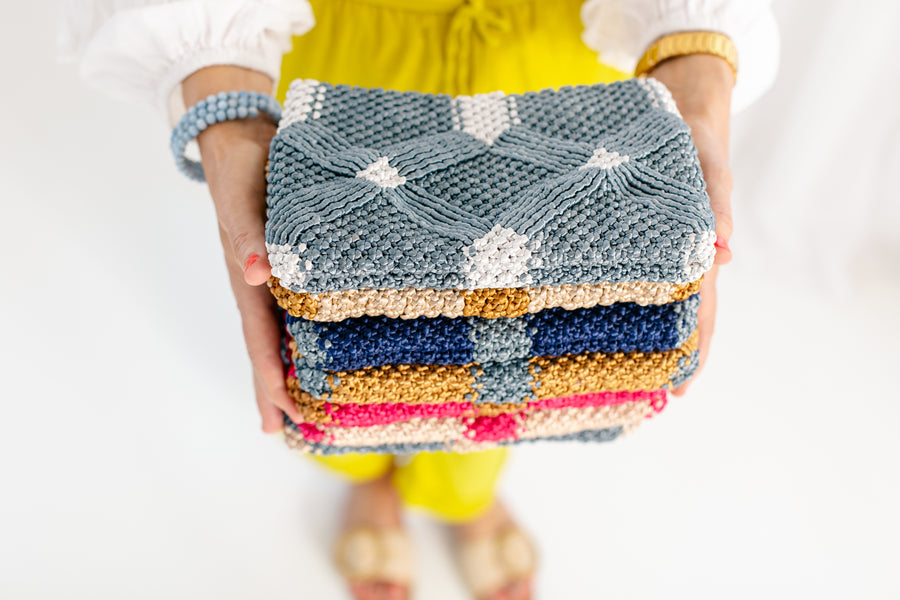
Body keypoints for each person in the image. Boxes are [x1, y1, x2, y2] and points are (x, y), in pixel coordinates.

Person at [60, 1, 779, 598]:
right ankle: (366, 477)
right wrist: (224, 104)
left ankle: (462, 493)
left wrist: (695, 64)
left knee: (521, 366)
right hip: (350, 56)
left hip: (553, 74)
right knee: (333, 356)